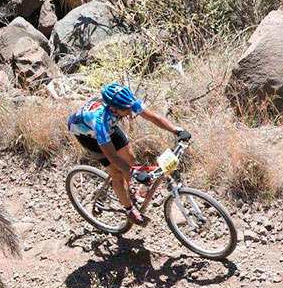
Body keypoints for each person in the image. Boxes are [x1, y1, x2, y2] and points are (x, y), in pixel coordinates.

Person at [67, 83, 191, 225]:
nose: (130, 111)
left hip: (110, 127)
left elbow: (153, 117)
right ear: (113, 108)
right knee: (117, 173)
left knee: (130, 158)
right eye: (126, 109)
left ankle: (129, 189)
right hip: (88, 135)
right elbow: (112, 156)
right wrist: (133, 173)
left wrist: (176, 130)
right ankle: (128, 209)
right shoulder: (100, 121)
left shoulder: (126, 102)